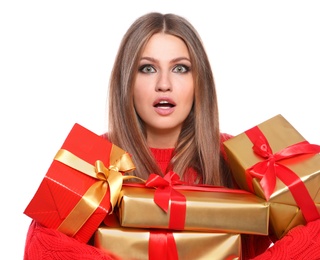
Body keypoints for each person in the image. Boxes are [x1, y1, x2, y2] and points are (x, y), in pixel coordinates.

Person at [24, 12, 320, 260]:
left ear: (198, 81)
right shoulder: (96, 161)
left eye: (180, 68)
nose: (163, 84)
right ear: (126, 82)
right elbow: (40, 246)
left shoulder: (243, 157)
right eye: (147, 68)